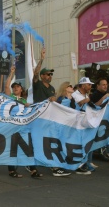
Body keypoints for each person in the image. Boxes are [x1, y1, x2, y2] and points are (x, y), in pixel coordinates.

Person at [32, 48, 71, 177]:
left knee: (50, 141)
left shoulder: (53, 88)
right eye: (48, 74)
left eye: (51, 74)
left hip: (49, 119)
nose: (50, 76)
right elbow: (35, 73)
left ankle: (54, 166)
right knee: (38, 141)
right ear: (43, 76)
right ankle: (33, 164)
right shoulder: (38, 85)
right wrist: (42, 58)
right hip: (39, 118)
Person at [5, 65, 42, 178]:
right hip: (11, 127)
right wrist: (11, 73)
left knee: (28, 148)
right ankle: (11, 170)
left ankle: (33, 170)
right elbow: (6, 86)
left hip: (22, 128)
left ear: (21, 89)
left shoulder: (25, 101)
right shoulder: (9, 97)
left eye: (17, 87)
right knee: (13, 149)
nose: (15, 88)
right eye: (14, 87)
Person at [71, 77, 94, 174]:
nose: (90, 86)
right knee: (78, 144)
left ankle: (85, 163)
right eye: (89, 85)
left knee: (86, 142)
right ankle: (78, 165)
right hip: (76, 122)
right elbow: (80, 103)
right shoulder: (75, 94)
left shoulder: (86, 95)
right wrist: (89, 99)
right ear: (83, 85)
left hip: (84, 122)